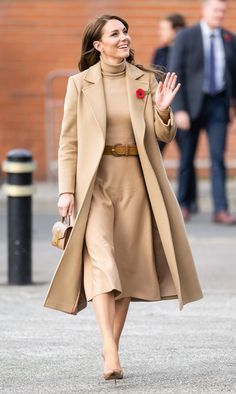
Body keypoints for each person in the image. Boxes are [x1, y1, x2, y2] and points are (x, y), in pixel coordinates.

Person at [44, 15, 203, 382]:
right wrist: (66, 190)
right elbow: (68, 142)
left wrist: (163, 110)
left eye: (125, 32)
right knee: (102, 262)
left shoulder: (145, 80)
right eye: (114, 33)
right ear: (98, 45)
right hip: (94, 183)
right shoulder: (79, 84)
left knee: (126, 267)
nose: (124, 37)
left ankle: (109, 346)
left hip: (136, 181)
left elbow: (162, 135)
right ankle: (111, 350)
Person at [169, 0, 236, 224]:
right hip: (190, 106)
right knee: (187, 157)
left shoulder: (229, 38)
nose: (220, 14)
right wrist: (179, 109)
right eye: (216, 10)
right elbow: (174, 72)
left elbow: (233, 74)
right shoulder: (186, 36)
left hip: (218, 104)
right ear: (204, 11)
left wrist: (232, 104)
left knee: (218, 158)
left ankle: (220, 209)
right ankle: (184, 205)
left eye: (223, 11)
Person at [152, 14, 198, 215]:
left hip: (183, 113)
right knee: (154, 155)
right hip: (161, 114)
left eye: (165, 29)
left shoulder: (191, 53)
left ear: (177, 31)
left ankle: (185, 204)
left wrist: (182, 110)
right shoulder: (160, 52)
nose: (160, 33)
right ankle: (154, 199)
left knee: (187, 159)